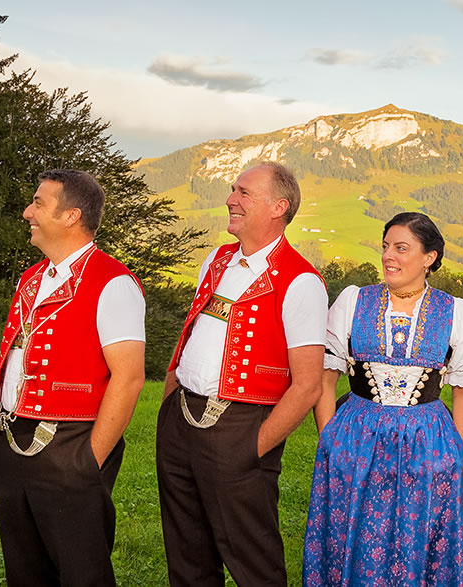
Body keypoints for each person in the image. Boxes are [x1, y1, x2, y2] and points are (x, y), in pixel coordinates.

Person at [159, 162, 328, 587]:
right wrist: (169, 408)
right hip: (181, 420)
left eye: (243, 193)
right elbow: (191, 336)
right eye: (234, 190)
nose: (231, 199)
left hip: (241, 426)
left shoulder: (300, 280)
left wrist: (254, 446)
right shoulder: (215, 261)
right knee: (187, 557)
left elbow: (307, 385)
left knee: (253, 562)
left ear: (278, 207)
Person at [303, 211, 463, 586]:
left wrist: (453, 451)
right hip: (357, 435)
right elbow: (326, 373)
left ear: (429, 258)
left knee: (417, 535)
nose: (389, 256)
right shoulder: (354, 301)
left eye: (401, 248)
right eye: (386, 247)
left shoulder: (455, 311)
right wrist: (330, 438)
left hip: (427, 441)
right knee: (353, 531)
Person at [0, 169, 147, 586]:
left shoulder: (113, 283)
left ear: (72, 215)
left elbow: (128, 378)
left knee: (81, 574)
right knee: (24, 572)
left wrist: (87, 461)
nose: (27, 213)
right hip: (10, 441)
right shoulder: (32, 277)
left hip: (70, 445)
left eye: (38, 204)